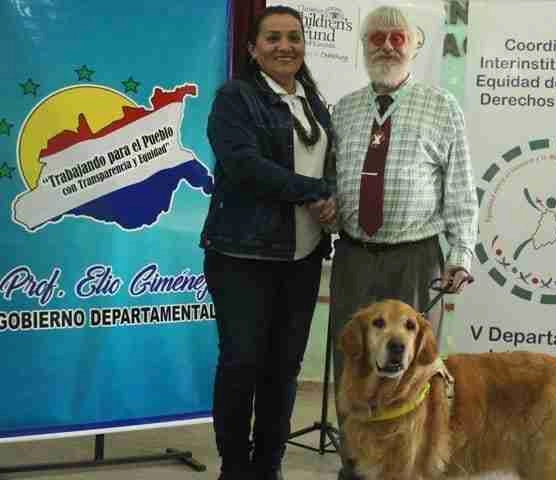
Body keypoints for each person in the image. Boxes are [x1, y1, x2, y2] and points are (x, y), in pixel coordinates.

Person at [329, 6, 478, 480]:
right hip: (354, 255)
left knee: (413, 366)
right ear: (364, 46)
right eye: (376, 38)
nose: (387, 46)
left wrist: (460, 255)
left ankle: (409, 461)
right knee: (352, 357)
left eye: (397, 38)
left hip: (416, 258)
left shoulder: (442, 107)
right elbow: (330, 180)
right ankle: (356, 461)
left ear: (414, 45)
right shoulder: (344, 109)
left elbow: (460, 190)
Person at [200, 6, 337, 480]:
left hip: (302, 258)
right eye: (273, 38)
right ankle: (235, 469)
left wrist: (332, 196)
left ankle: (268, 467)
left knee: (283, 372)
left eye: (294, 37)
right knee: (242, 366)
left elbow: (326, 166)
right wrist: (315, 192)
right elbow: (243, 164)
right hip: (243, 257)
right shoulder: (235, 98)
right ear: (252, 48)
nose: (285, 46)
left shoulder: (312, 100)